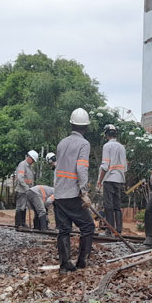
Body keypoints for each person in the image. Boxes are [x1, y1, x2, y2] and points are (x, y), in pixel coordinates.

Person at [53, 108, 95, 272]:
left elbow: (58, 169)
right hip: (73, 193)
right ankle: (82, 262)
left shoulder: (61, 143)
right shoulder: (84, 144)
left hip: (59, 194)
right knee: (88, 227)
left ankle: (64, 265)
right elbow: (81, 169)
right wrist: (84, 192)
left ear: (71, 124)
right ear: (85, 127)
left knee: (64, 230)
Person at [97, 124, 127, 234]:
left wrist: (100, 181)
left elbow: (105, 165)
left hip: (109, 178)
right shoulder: (121, 147)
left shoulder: (107, 146)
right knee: (117, 206)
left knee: (108, 206)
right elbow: (125, 166)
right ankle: (118, 230)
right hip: (119, 179)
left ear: (106, 135)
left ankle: (110, 230)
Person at [14, 150, 38, 230]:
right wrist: (26, 188)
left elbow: (30, 179)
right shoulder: (22, 165)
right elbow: (20, 178)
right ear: (29, 158)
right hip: (21, 190)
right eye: (33, 160)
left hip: (27, 190)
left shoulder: (29, 167)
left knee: (24, 207)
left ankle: (23, 223)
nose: (33, 162)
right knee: (20, 207)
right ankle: (18, 224)